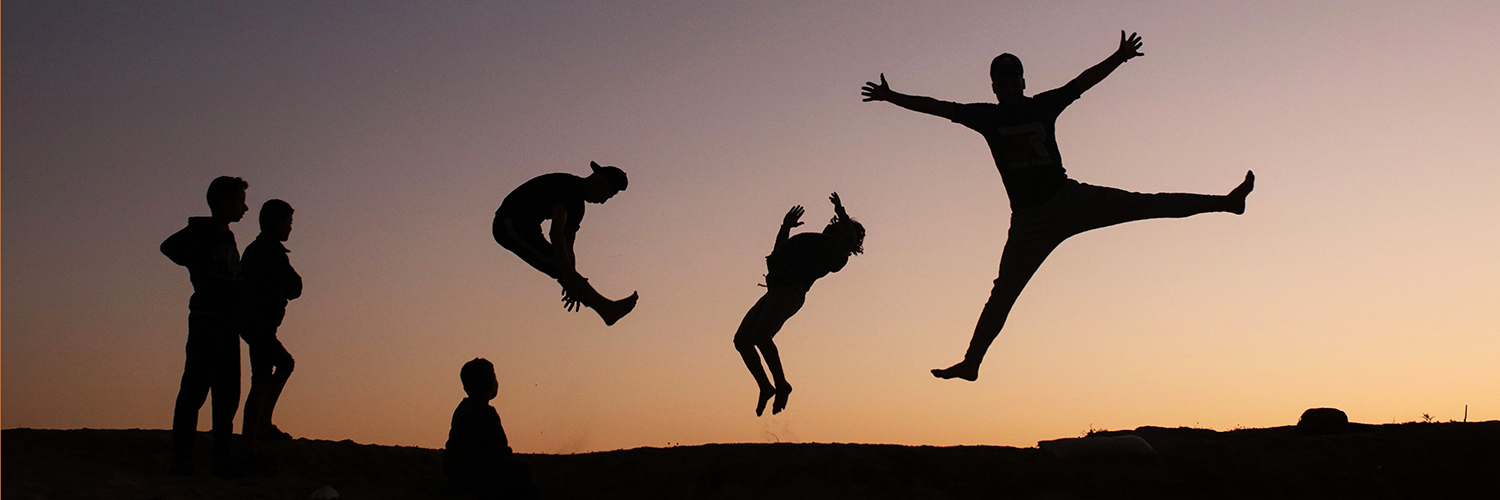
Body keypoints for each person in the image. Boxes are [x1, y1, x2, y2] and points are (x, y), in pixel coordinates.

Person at [861, 31, 1254, 382]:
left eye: (1014, 76)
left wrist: (1118, 58)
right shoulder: (986, 117)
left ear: (1022, 81)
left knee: (1145, 204)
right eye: (1002, 79)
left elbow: (1081, 83)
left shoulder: (1042, 106)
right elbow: (938, 106)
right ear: (994, 86)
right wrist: (891, 96)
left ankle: (1226, 202)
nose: (1008, 83)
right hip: (1030, 222)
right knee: (1004, 292)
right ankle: (971, 363)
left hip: (1070, 200)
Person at [734, 193, 865, 415]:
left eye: (837, 227)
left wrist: (841, 211)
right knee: (742, 340)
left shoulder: (837, 254)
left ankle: (782, 384)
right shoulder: (813, 242)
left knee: (760, 335)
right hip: (775, 290)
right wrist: (786, 226)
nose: (830, 227)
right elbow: (779, 252)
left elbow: (849, 239)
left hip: (790, 293)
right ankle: (766, 387)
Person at [160, 176, 249, 476]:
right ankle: (182, 458)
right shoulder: (202, 230)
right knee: (195, 391)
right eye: (239, 200)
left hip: (227, 322)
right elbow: (169, 247)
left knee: (227, 394)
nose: (244, 207)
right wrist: (201, 272)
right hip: (207, 321)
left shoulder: (227, 236)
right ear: (224, 202)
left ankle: (221, 458)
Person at [493, 161, 638, 325]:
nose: (603, 202)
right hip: (509, 224)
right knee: (557, 264)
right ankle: (606, 309)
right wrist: (568, 276)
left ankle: (606, 309)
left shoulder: (578, 208)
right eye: (606, 195)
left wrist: (572, 279)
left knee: (561, 266)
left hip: (529, 228)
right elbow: (556, 233)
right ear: (598, 183)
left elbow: (568, 246)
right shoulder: (569, 187)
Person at [240, 199, 302, 458]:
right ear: (277, 224)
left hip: (258, 323)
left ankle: (261, 426)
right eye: (288, 222)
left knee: (283, 364)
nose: (290, 228)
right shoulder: (270, 250)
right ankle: (250, 442)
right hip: (259, 324)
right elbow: (295, 286)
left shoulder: (257, 249)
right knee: (262, 379)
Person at [445, 358, 543, 500]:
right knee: (527, 472)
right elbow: (500, 451)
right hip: (475, 476)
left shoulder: (464, 409)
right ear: (489, 382)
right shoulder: (484, 413)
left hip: (460, 474)